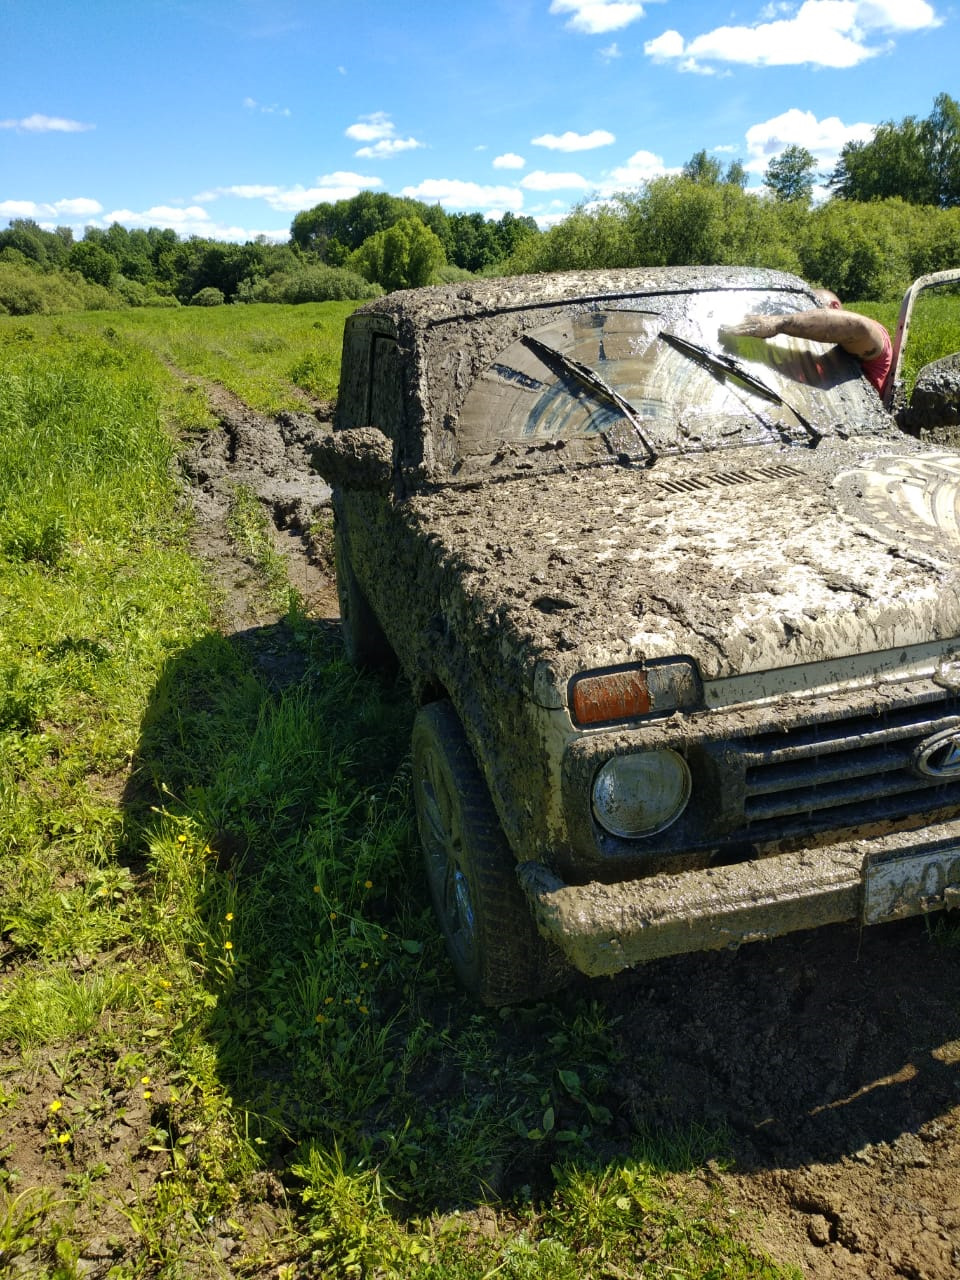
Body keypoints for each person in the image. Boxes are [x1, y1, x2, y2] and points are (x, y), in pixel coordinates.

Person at [719, 288, 892, 397]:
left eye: (811, 313)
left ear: (834, 308)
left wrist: (779, 323)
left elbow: (858, 327)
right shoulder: (811, 351)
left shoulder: (867, 337)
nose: (804, 322)